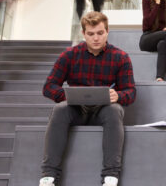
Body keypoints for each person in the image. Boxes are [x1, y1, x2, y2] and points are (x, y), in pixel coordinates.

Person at [39, 12, 135, 186]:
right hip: (75, 109)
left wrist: (118, 95)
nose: (96, 38)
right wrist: (68, 96)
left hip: (103, 110)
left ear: (107, 32)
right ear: (83, 34)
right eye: (91, 34)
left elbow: (130, 91)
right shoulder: (69, 55)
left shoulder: (120, 57)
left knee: (114, 110)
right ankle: (49, 176)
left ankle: (110, 176)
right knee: (60, 109)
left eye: (100, 33)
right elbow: (48, 87)